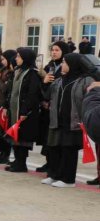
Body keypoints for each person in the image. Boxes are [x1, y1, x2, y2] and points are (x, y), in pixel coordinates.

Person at [42, 53, 94, 187]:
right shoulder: (60, 80)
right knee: (54, 148)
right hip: (57, 120)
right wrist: (46, 83)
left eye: (65, 62)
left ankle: (68, 179)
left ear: (73, 64)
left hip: (73, 121)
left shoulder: (85, 80)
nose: (63, 65)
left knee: (68, 150)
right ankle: (54, 175)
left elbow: (90, 98)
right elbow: (47, 96)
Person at [4, 48, 42, 173]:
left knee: (23, 138)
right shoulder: (17, 71)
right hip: (14, 110)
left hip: (26, 112)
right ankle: (16, 160)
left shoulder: (32, 73)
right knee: (14, 136)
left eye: (19, 56)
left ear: (25, 58)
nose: (16, 58)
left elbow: (32, 95)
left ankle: (21, 163)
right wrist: (5, 106)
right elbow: (10, 91)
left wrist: (25, 111)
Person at [36, 42, 68, 172]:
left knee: (56, 138)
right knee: (46, 136)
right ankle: (49, 162)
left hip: (58, 108)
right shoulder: (50, 66)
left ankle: (56, 165)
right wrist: (44, 83)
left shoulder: (66, 67)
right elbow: (43, 86)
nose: (54, 52)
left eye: (57, 50)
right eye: (52, 50)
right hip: (47, 107)